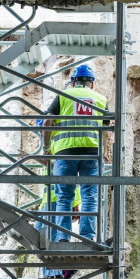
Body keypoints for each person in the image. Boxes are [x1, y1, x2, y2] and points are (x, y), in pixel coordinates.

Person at [42, 64, 108, 246]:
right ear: (92, 84)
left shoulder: (63, 96)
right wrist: (103, 153)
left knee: (64, 197)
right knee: (90, 197)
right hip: (92, 154)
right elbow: (106, 129)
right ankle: (87, 237)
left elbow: (47, 121)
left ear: (73, 82)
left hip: (66, 153)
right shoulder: (101, 99)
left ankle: (62, 237)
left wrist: (46, 149)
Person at [34, 155, 81, 278]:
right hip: (47, 202)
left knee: (51, 238)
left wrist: (75, 203)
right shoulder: (52, 152)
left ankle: (55, 273)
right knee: (38, 237)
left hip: (57, 201)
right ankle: (63, 267)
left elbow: (68, 174)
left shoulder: (57, 153)